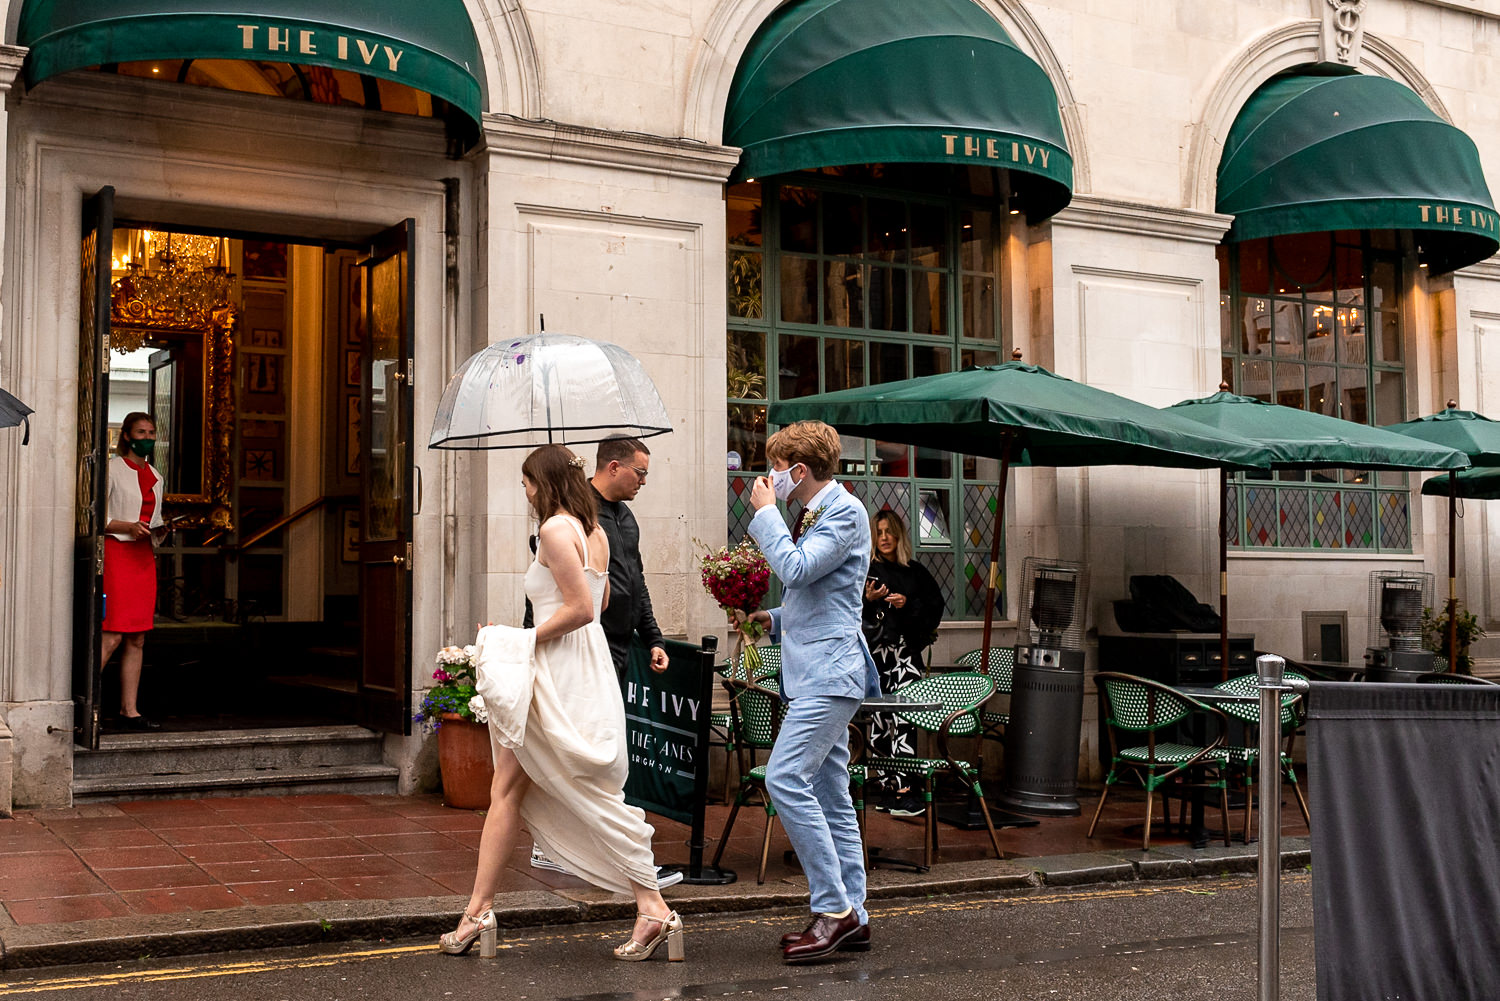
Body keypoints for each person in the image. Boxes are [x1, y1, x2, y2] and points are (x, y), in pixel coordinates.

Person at [440, 444, 683, 962]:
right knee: (513, 785)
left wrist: (517, 639)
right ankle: (478, 911)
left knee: (575, 790)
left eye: (527, 482)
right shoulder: (593, 531)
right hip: (583, 665)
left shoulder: (555, 529)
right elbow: (606, 601)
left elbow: (577, 610)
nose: (524, 492)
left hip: (556, 667)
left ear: (543, 481)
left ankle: (652, 905)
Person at [741, 420, 881, 964]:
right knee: (831, 796)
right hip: (815, 669)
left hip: (830, 673)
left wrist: (765, 515)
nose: (770, 477)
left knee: (783, 777)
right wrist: (768, 621)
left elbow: (796, 570)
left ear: (798, 470)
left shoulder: (843, 510)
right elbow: (819, 596)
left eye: (776, 468)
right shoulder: (818, 513)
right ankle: (855, 914)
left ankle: (833, 909)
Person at [528, 435, 682, 889]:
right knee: (580, 750)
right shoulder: (572, 520)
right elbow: (551, 595)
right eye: (641, 472)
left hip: (611, 644)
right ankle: (596, 856)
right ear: (613, 467)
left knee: (595, 748)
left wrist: (652, 636)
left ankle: (583, 849)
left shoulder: (624, 520)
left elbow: (634, 581)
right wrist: (527, 645)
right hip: (576, 648)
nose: (644, 481)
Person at [862, 509, 944, 817]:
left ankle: (906, 788)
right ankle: (886, 788)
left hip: (905, 655)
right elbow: (851, 615)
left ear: (899, 535)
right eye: (879, 532)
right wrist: (869, 600)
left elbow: (934, 608)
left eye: (888, 532)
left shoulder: (915, 572)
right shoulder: (867, 569)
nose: (883, 538)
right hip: (878, 658)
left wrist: (907, 603)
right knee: (881, 723)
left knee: (905, 718)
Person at [102, 412, 166, 731]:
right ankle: (83, 707)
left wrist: (160, 531)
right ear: (126, 435)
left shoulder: (156, 474)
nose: (148, 437)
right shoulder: (112, 469)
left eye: (152, 432)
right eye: (141, 432)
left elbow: (154, 519)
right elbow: (97, 517)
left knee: (137, 638)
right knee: (112, 634)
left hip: (143, 556)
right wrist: (129, 526)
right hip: (118, 552)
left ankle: (130, 710)